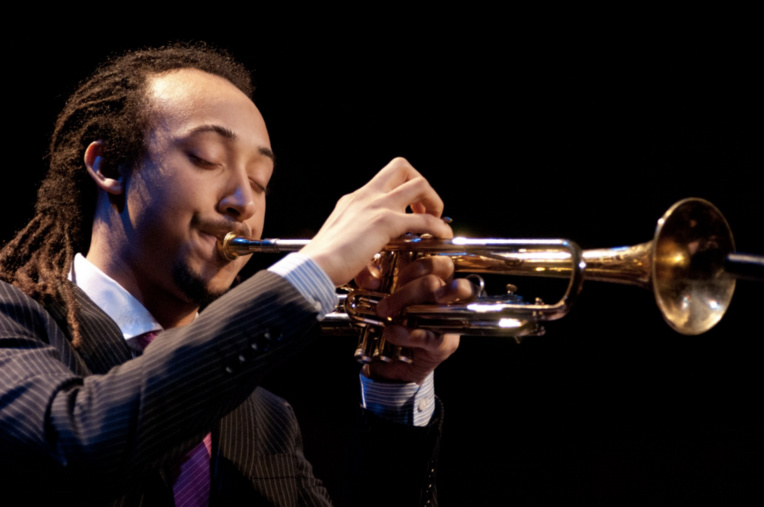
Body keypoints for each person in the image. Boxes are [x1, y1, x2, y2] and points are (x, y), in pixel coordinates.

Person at [0, 43, 471, 506]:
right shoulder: (13, 319)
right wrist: (316, 267)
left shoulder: (266, 419)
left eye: (260, 182)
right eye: (207, 158)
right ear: (109, 166)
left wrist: (395, 391)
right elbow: (74, 446)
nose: (244, 203)